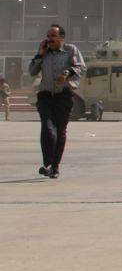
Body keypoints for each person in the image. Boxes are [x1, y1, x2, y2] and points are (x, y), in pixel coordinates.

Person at [29, 24, 86, 179]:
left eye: (53, 36)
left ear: (61, 38)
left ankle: (55, 166)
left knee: (60, 131)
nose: (50, 39)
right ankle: (47, 163)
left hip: (64, 96)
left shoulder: (71, 50)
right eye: (48, 36)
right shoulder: (44, 53)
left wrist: (67, 73)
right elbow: (32, 72)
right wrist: (39, 54)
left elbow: (81, 67)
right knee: (47, 128)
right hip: (45, 96)